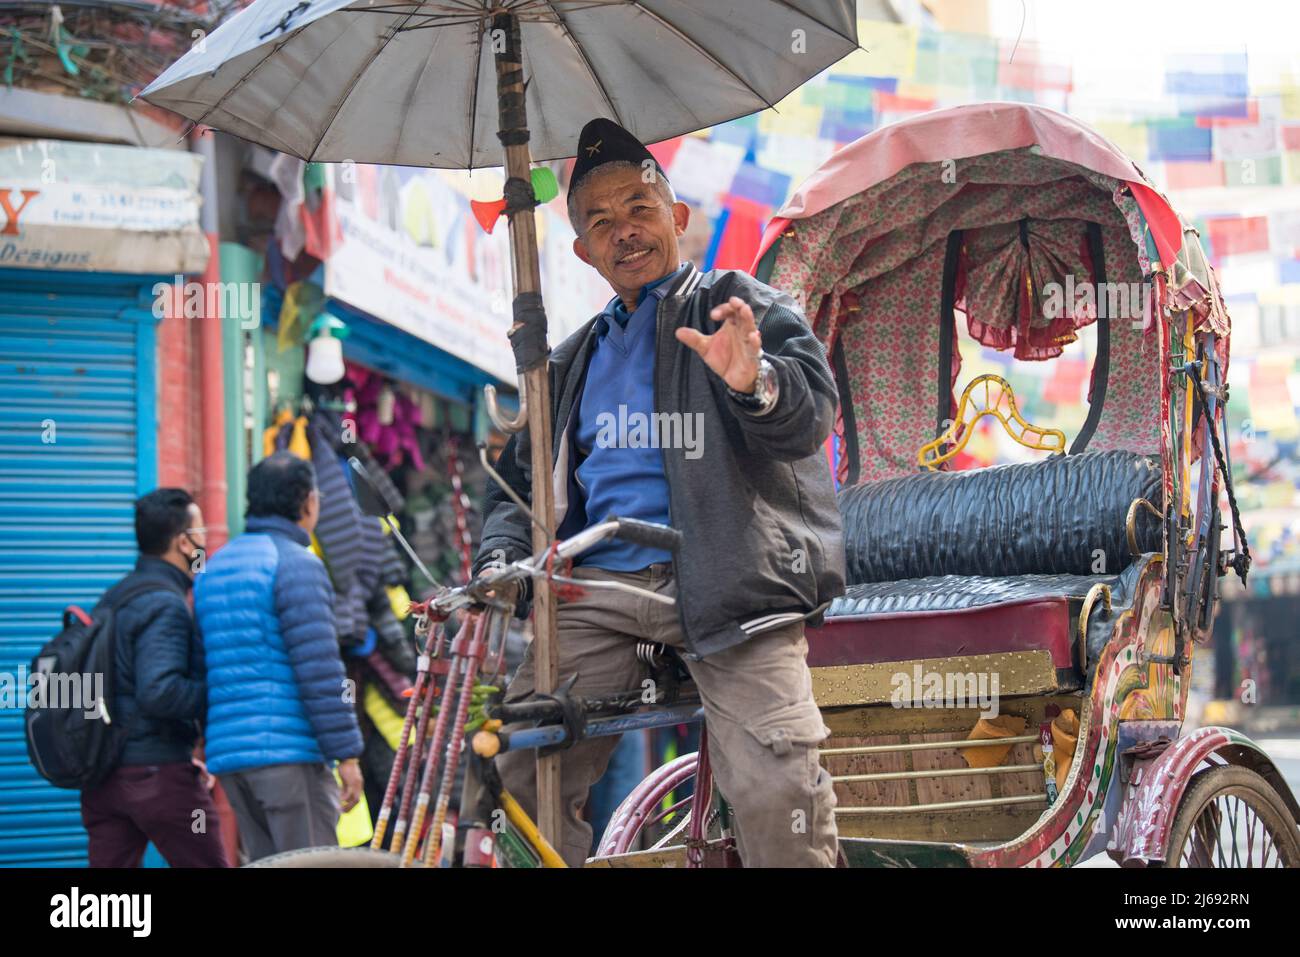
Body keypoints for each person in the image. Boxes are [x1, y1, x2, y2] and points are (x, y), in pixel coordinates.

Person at [477, 118, 846, 867]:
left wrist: (755, 382)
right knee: (514, 770)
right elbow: (515, 486)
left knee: (780, 790)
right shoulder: (568, 361)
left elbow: (810, 416)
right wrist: (501, 555)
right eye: (602, 221)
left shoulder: (739, 305)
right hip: (600, 590)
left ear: (677, 217)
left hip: (734, 581)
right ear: (582, 249)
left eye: (640, 208)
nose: (625, 231)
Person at [194, 452, 364, 862]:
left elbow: (203, 667)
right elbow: (321, 671)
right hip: (289, 757)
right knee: (312, 863)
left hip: (231, 760)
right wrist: (348, 755)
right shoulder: (297, 565)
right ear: (307, 501)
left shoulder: (213, 569)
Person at [79, 488, 230, 867]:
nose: (205, 547)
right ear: (183, 543)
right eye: (201, 535)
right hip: (156, 774)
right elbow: (159, 692)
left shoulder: (112, 598)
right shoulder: (165, 604)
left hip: (103, 778)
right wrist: (222, 692)